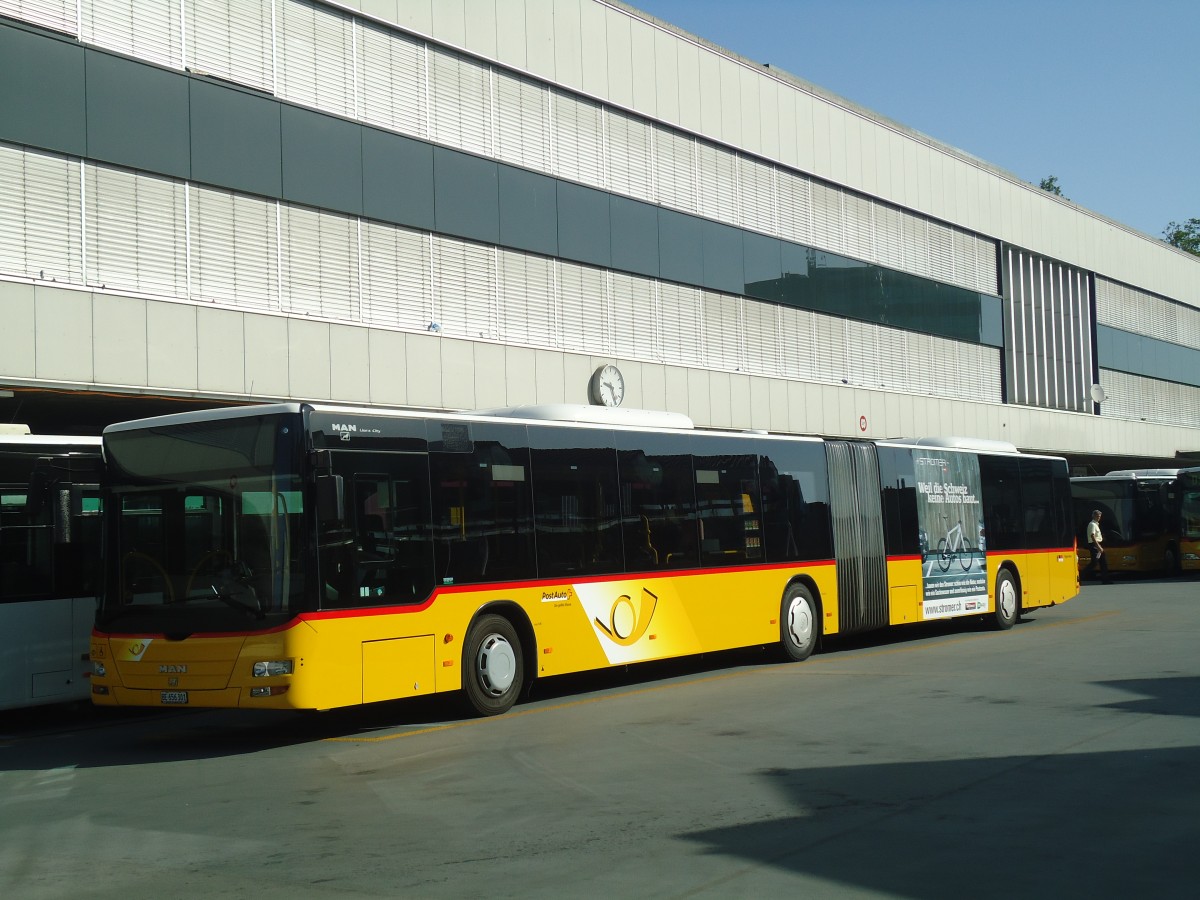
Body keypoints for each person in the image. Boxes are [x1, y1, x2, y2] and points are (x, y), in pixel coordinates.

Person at [1082, 509, 1112, 583]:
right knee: (1094, 563)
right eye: (1097, 516)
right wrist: (1098, 547)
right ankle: (1081, 576)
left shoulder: (1096, 524)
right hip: (1095, 545)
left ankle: (1105, 580)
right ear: (1093, 516)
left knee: (1103, 562)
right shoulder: (1092, 524)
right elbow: (1092, 536)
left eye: (1099, 516)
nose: (1099, 517)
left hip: (1098, 544)